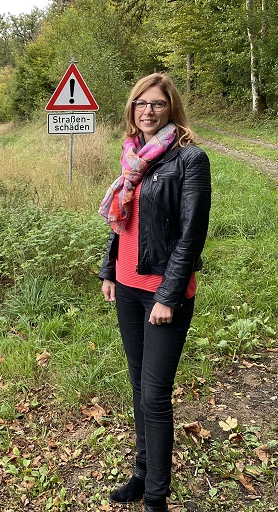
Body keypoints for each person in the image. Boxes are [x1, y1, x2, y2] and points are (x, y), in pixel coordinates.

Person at [98, 73, 211, 511]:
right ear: (132, 108)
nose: (148, 111)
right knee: (136, 384)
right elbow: (122, 221)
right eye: (140, 103)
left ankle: (157, 499)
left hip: (164, 293)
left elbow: (190, 236)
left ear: (171, 109)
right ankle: (142, 474)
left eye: (158, 104)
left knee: (154, 395)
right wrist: (109, 269)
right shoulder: (134, 157)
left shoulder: (190, 160)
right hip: (127, 287)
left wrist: (168, 295)